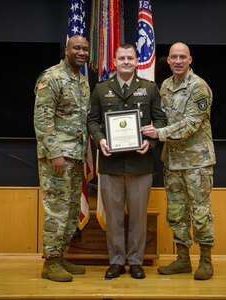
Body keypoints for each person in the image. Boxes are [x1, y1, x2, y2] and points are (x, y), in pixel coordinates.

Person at [88, 43, 167, 279]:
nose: (125, 62)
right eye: (121, 58)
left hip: (140, 164)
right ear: (114, 60)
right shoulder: (101, 89)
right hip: (111, 165)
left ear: (136, 61)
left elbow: (161, 121)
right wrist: (100, 139)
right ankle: (116, 262)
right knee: (113, 219)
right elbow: (92, 120)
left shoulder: (149, 88)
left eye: (130, 58)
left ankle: (135, 261)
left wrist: (151, 142)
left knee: (138, 217)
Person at [141, 42, 216, 280]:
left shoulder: (198, 87)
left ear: (190, 60)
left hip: (197, 162)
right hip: (172, 161)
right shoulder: (164, 86)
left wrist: (159, 134)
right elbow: (162, 118)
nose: (178, 61)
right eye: (174, 57)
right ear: (169, 60)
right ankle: (183, 259)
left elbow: (192, 124)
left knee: (200, 212)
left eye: (183, 57)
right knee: (176, 212)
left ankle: (205, 260)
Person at [33, 35, 90, 282]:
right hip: (58, 157)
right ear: (67, 50)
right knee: (56, 210)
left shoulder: (82, 82)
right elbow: (43, 119)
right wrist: (54, 153)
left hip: (76, 156)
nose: (81, 52)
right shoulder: (52, 77)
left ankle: (61, 256)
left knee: (70, 210)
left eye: (85, 49)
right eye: (76, 47)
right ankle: (51, 263)